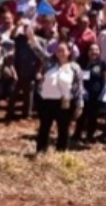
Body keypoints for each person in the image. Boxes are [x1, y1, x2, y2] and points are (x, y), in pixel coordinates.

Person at [30, 25, 83, 154]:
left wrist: (79, 105)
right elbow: (38, 50)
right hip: (47, 102)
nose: (60, 52)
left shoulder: (75, 68)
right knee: (44, 127)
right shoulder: (49, 62)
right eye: (58, 50)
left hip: (64, 103)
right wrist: (31, 37)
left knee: (63, 129)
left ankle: (61, 153)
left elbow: (79, 87)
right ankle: (41, 152)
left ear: (69, 52)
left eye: (63, 50)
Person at [71, 44, 106, 143]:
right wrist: (80, 90)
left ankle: (90, 136)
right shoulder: (82, 63)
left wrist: (105, 93)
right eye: (91, 49)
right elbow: (76, 77)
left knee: (93, 116)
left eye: (96, 49)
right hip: (83, 94)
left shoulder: (103, 64)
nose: (94, 52)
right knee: (81, 115)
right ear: (87, 51)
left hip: (96, 95)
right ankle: (77, 134)